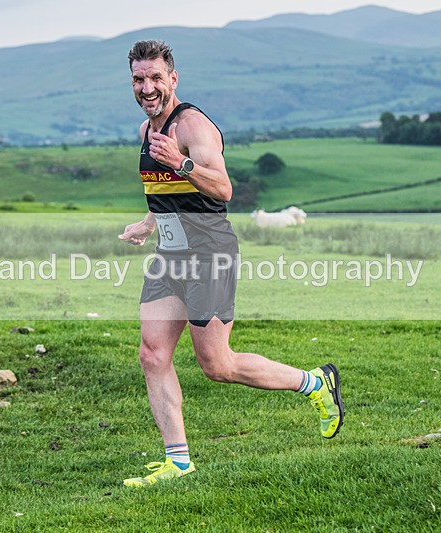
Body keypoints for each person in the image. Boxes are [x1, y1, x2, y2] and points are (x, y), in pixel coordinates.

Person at [118, 40, 343, 487]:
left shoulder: (193, 126)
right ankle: (178, 462)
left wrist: (181, 162)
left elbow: (221, 189)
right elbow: (166, 191)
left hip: (209, 255)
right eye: (139, 79)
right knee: (153, 354)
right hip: (169, 258)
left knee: (217, 365)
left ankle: (315, 383)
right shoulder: (147, 132)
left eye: (155, 78)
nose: (147, 87)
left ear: (173, 79)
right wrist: (148, 223)